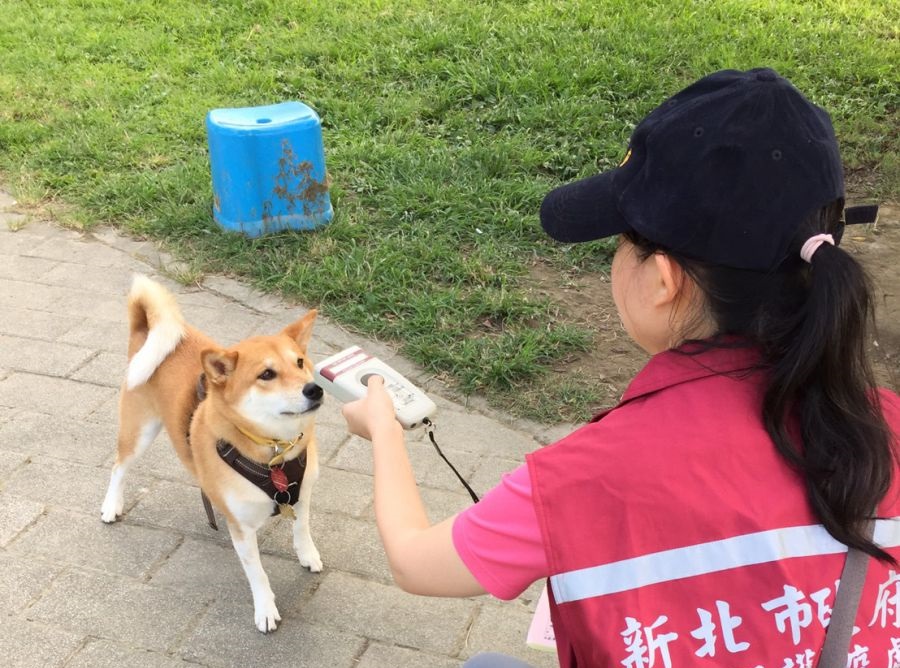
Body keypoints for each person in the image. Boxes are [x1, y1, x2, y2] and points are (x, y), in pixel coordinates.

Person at [340, 68, 900, 667]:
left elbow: (413, 561)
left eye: (620, 240)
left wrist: (382, 427)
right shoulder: (885, 424)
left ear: (663, 280)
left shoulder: (586, 478)